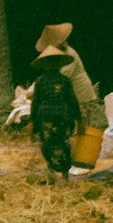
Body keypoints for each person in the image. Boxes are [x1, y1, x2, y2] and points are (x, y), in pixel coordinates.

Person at [30, 45, 81, 183]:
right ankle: (64, 176)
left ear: (44, 65)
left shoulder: (40, 81)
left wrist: (33, 123)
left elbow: (35, 103)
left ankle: (52, 173)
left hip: (46, 117)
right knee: (63, 143)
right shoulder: (65, 80)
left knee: (47, 143)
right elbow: (73, 102)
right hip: (63, 116)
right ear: (60, 65)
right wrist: (79, 120)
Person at [35, 22, 97, 123]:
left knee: (82, 120)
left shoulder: (69, 53)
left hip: (80, 91)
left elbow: (64, 74)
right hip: (71, 92)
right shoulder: (59, 55)